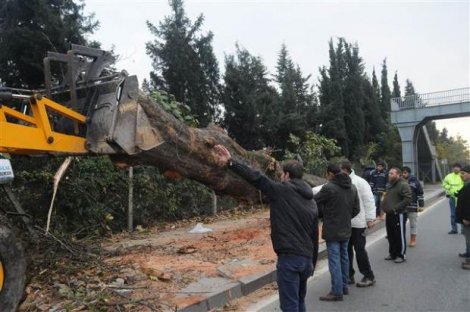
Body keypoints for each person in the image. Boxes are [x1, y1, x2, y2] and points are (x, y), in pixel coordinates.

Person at [213, 145, 318, 312]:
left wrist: (231, 162)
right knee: (299, 301)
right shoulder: (311, 201)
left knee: (290, 306)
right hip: (306, 260)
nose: (280, 177)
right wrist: (312, 263)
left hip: (290, 260)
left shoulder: (281, 191)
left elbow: (256, 178)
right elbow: (314, 234)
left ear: (287, 175)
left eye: (282, 174)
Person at [314, 164, 360, 302]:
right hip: (346, 228)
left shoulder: (328, 188)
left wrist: (326, 215)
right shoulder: (352, 187)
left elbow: (314, 201)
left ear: (330, 174)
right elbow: (356, 209)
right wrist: (345, 217)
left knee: (334, 260)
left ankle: (336, 291)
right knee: (344, 257)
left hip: (332, 229)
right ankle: (344, 286)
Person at [340, 161, 376, 287]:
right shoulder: (340, 181)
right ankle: (349, 275)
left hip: (359, 223)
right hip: (346, 223)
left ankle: (368, 275)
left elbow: (369, 199)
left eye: (340, 170)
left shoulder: (360, 182)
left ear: (345, 169)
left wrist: (370, 218)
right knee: (346, 251)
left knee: (360, 250)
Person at [381, 167, 412, 263]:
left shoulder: (403, 185)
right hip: (389, 214)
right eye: (389, 173)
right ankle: (393, 253)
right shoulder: (389, 185)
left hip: (399, 214)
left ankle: (401, 255)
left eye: (392, 173)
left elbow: (407, 199)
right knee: (391, 235)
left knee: (399, 235)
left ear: (398, 175)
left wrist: (395, 208)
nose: (389, 175)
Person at [402, 167, 424, 247]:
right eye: (403, 172)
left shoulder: (415, 182)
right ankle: (401, 239)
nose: (404, 174)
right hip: (402, 207)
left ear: (409, 173)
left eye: (405, 172)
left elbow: (420, 194)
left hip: (412, 206)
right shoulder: (399, 182)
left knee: (413, 224)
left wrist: (421, 205)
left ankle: (413, 240)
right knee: (401, 225)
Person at [442, 163, 464, 234]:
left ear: (460, 168)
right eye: (454, 167)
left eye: (457, 167)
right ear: (452, 168)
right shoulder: (448, 176)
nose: (456, 168)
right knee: (453, 214)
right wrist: (450, 188)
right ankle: (454, 229)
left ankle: (463, 229)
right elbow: (444, 184)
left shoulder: (463, 175)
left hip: (462, 197)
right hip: (452, 197)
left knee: (463, 214)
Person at [455, 165, 470, 270]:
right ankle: (468, 254)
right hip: (466, 217)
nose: (461, 175)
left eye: (463, 173)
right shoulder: (467, 184)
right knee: (467, 237)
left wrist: (467, 218)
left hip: (468, 218)